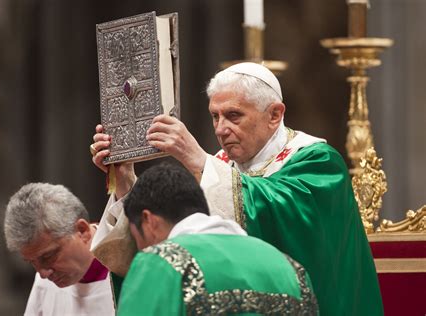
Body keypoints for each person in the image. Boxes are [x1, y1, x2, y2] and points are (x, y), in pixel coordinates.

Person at [90, 62, 383, 315]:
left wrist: (199, 161)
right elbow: (165, 238)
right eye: (214, 116)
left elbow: (283, 222)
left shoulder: (318, 161)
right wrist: (125, 180)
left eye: (233, 115)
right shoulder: (218, 168)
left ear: (274, 115)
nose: (219, 129)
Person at [117, 163, 318, 315]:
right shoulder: (291, 269)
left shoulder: (161, 262)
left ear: (148, 220)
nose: (143, 250)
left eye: (137, 240)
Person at [4, 183, 115, 316]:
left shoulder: (130, 272)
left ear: (82, 231)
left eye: (47, 257)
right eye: (32, 262)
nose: (43, 274)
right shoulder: (44, 285)